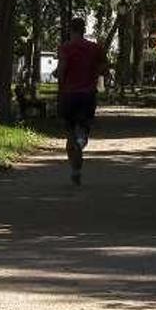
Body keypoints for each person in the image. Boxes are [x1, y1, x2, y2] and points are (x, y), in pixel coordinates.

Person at [55, 17, 106, 186]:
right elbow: (103, 69)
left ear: (71, 29)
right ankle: (81, 140)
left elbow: (62, 70)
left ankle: (75, 169)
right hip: (87, 94)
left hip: (69, 94)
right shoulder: (95, 48)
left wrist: (59, 83)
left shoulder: (65, 48)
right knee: (83, 127)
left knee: (69, 132)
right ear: (84, 30)